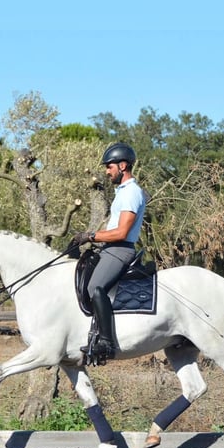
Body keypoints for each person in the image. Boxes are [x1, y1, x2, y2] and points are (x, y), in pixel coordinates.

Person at [73, 142, 146, 361]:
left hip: (121, 250)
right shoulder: (122, 192)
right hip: (110, 249)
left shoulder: (132, 192)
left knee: (96, 286)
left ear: (123, 166)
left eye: (110, 166)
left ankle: (106, 342)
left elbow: (122, 232)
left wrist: (92, 236)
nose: (107, 171)